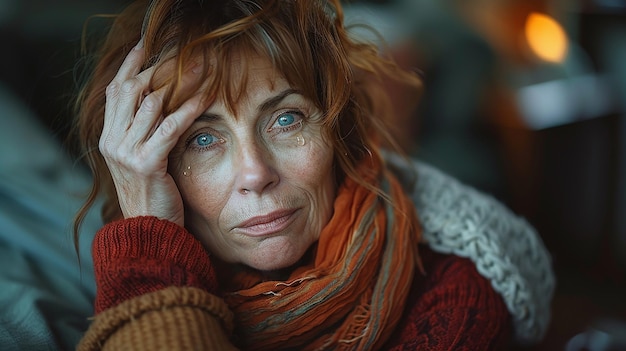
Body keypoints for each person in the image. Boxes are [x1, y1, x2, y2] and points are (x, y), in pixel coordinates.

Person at [72, 0, 554, 350]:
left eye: (286, 120)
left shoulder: (457, 290)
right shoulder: (131, 270)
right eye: (202, 139)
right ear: (145, 162)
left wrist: (145, 280)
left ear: (338, 133)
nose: (255, 174)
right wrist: (148, 244)